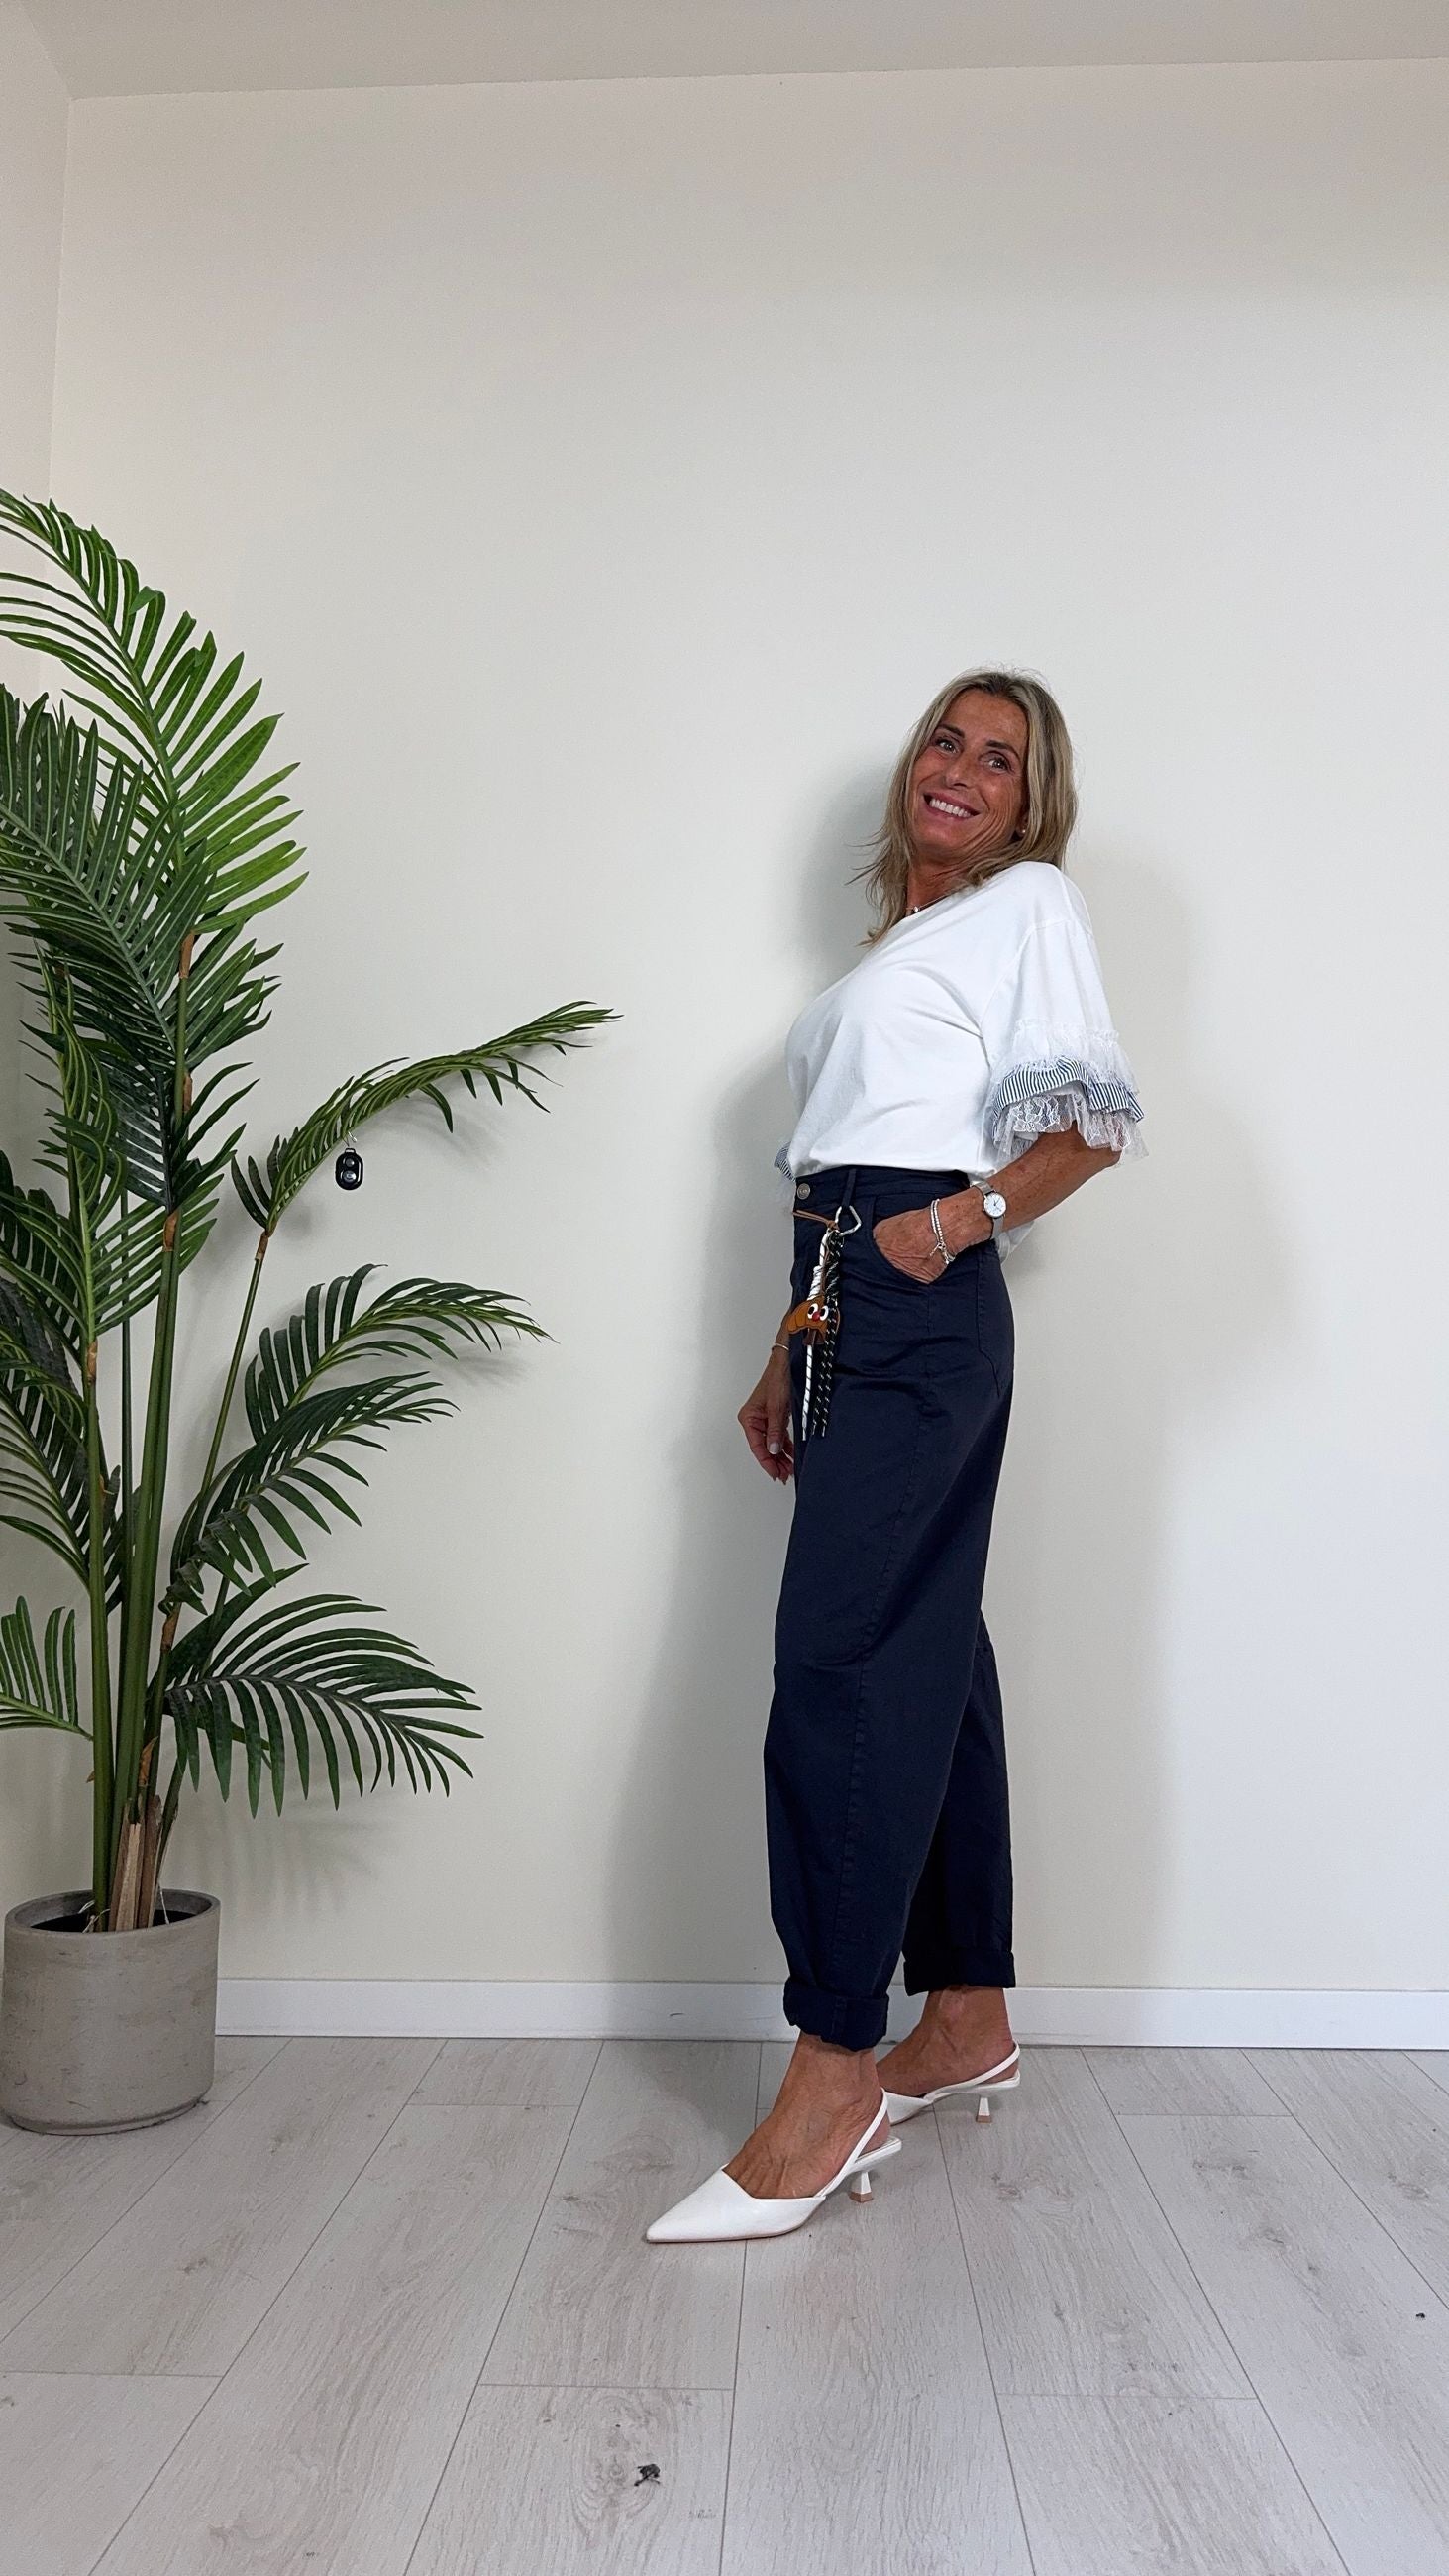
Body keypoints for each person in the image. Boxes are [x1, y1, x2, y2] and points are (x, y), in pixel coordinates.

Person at [646, 669, 1146, 2244]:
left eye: (1002, 761)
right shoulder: (900, 950)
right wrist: (791, 1341)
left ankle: (833, 2067)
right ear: (912, 764)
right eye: (948, 739)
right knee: (928, 1648)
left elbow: (1087, 1130)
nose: (963, 771)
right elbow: (841, 1170)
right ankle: (967, 2009)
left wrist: (954, 1225)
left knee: (841, 1664)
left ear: (1030, 806)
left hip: (921, 1303)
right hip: (849, 1299)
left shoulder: (1028, 908)